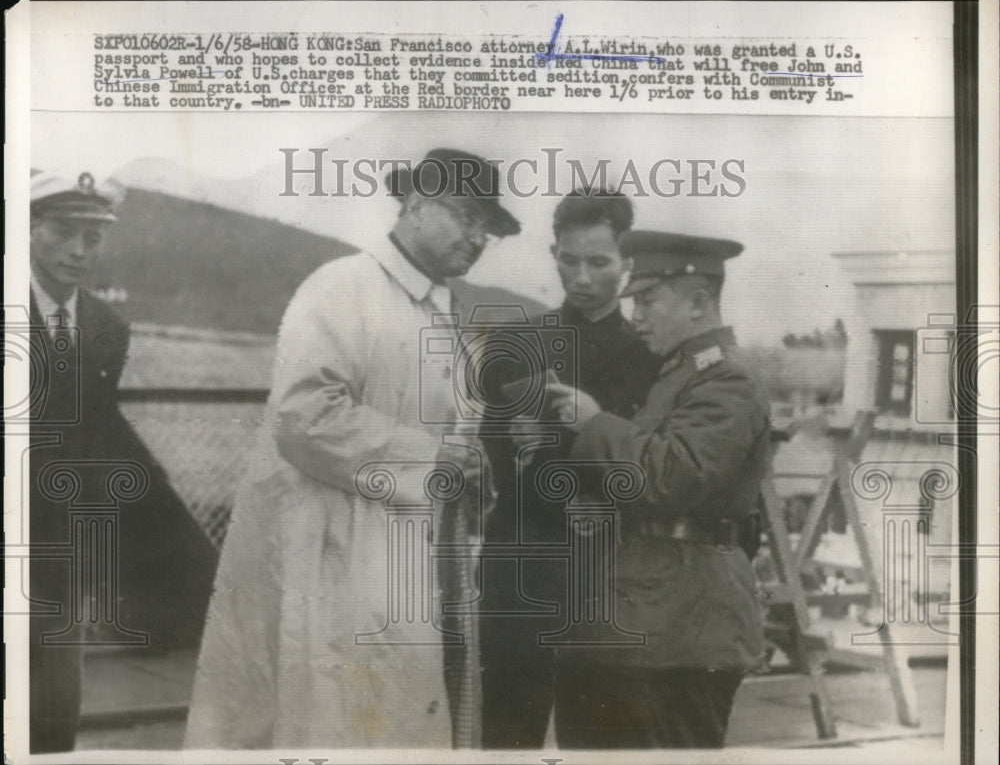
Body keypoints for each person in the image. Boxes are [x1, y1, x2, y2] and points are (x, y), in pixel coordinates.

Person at [184, 148, 520, 749]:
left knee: (393, 719)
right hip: (330, 549)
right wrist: (433, 459)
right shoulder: (343, 286)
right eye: (466, 216)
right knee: (330, 720)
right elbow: (303, 415)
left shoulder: (443, 313)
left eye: (486, 228)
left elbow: (443, 431)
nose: (477, 238)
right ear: (415, 204)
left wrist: (468, 463)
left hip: (406, 557)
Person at [545, 230, 769, 749]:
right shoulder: (680, 375)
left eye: (647, 300)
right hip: (646, 619)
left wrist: (594, 424)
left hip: (680, 629)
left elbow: (673, 477)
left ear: (697, 303)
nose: (637, 315)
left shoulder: (727, 379)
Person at [27, 170, 218, 752]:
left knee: (55, 712)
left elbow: (102, 434)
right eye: (65, 231)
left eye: (94, 236)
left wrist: (191, 557)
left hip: (58, 559)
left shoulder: (107, 327)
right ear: (29, 228)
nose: (79, 250)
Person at [478, 189, 663, 748]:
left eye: (600, 263)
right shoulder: (515, 344)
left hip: (609, 576)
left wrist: (558, 441)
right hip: (521, 567)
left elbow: (648, 473)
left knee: (603, 740)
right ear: (553, 251)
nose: (580, 277)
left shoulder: (654, 359)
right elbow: (502, 456)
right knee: (506, 736)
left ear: (629, 266)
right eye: (568, 259)